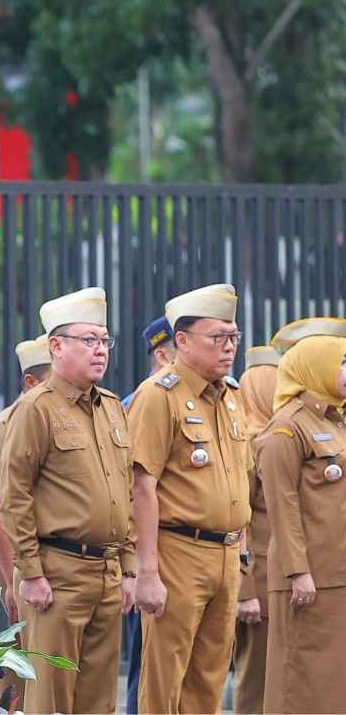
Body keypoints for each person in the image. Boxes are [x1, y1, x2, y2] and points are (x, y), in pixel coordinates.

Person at [1, 287, 136, 715]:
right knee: (50, 697)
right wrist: (31, 572)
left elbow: (124, 492)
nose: (100, 350)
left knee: (99, 700)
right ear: (56, 346)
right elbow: (14, 496)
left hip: (106, 572)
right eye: (88, 340)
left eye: (105, 340)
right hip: (56, 574)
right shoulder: (36, 408)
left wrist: (129, 568)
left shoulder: (112, 407)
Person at [129, 283, 251, 714]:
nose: (229, 346)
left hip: (226, 555)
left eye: (234, 336)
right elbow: (141, 486)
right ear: (181, 340)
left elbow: (240, 481)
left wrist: (242, 553)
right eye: (218, 337)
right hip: (179, 552)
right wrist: (146, 571)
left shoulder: (232, 397)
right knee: (164, 680)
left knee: (209, 680)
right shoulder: (158, 396)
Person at [256, 319, 346, 713]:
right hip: (309, 578)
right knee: (298, 682)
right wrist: (297, 571)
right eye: (341, 362)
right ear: (316, 366)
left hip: (336, 574)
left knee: (332, 686)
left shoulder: (334, 421)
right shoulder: (286, 428)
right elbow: (282, 505)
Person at [0, 335, 50, 712]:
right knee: (14, 680)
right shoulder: (4, 426)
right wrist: (10, 583)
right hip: (13, 569)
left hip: (44, 567)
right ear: (31, 382)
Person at [122, 315, 175, 715]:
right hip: (149, 554)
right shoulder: (137, 404)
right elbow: (133, 489)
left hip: (190, 558)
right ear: (163, 355)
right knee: (146, 665)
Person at [232, 344, 281, 714]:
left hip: (279, 579)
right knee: (256, 680)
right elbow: (239, 520)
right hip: (258, 583)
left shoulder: (277, 439)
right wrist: (245, 589)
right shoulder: (249, 445)